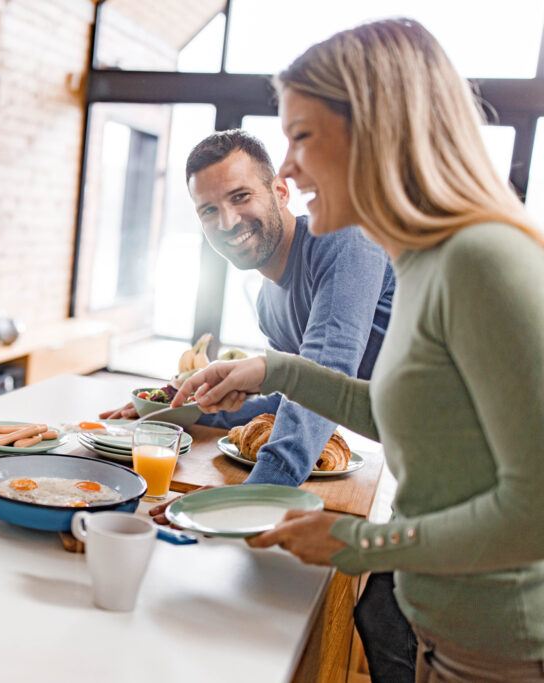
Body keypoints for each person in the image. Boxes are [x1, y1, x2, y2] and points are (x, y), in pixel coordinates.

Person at [175, 19, 544, 681]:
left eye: (302, 139)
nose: (286, 169)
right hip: (452, 635)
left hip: (506, 647)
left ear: (379, 130)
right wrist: (273, 369)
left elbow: (534, 510)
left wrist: (359, 540)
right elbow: (405, 416)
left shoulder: (485, 261)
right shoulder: (426, 264)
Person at [103, 129, 395, 486]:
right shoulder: (268, 304)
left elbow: (325, 375)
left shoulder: (343, 238)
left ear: (281, 192)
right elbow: (291, 398)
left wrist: (253, 497)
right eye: (209, 210)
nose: (227, 222)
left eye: (240, 196)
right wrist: (173, 408)